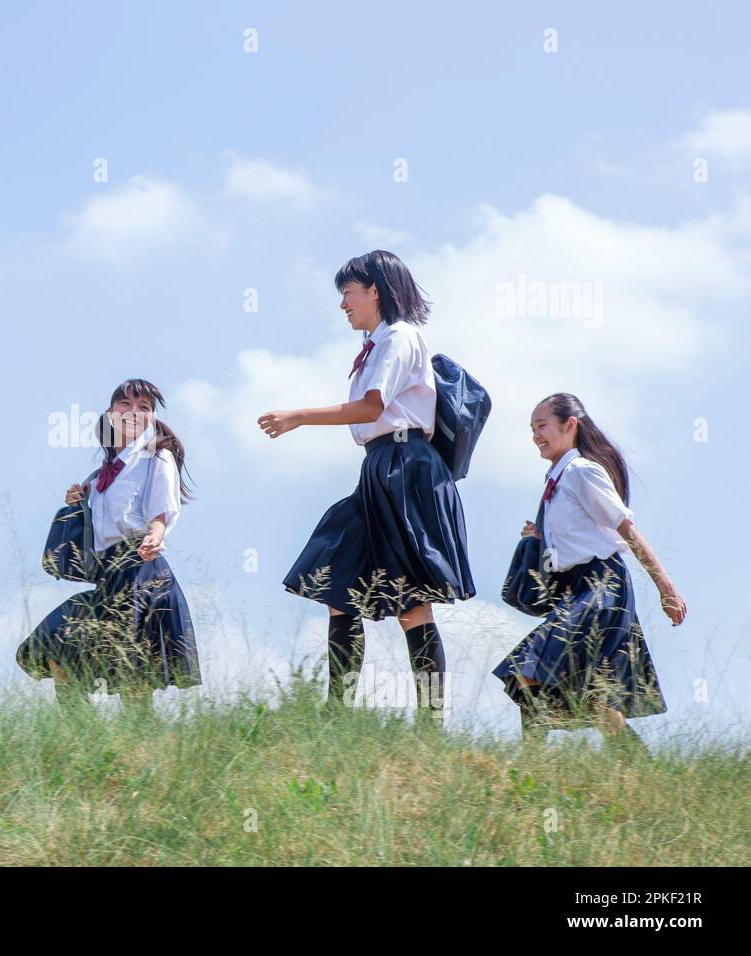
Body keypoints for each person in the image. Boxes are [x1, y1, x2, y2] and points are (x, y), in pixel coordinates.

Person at [259, 250, 475, 724]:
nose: (343, 304)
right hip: (380, 467)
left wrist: (298, 416)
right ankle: (336, 716)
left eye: (348, 292)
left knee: (412, 603)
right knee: (338, 581)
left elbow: (371, 408)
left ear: (374, 289)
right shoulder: (376, 346)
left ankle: (431, 724)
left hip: (404, 470)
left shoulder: (399, 337)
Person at [493, 393, 686, 751]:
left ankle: (529, 768)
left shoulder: (583, 471)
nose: (536, 435)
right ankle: (638, 773)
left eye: (542, 426)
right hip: (578, 588)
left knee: (528, 669)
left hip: (602, 588)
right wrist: (540, 536)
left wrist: (666, 587)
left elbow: (627, 529)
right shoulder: (557, 481)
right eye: (532, 429)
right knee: (594, 701)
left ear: (569, 426)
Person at [17, 379, 200, 714]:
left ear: (151, 419)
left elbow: (161, 510)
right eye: (125, 405)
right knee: (58, 642)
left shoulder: (156, 457)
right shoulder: (98, 476)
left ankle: (139, 745)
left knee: (132, 670)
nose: (134, 412)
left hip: (142, 570)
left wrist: (156, 534)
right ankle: (80, 737)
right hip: (108, 577)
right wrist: (77, 499)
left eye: (144, 408)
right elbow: (92, 524)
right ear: (110, 414)